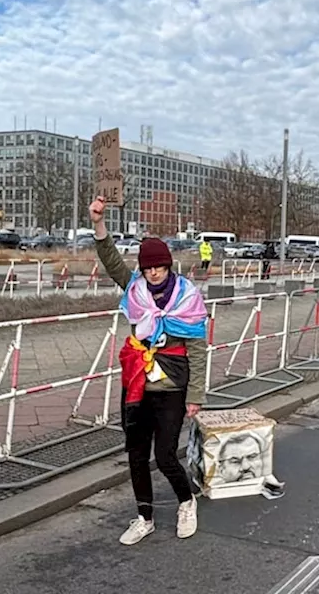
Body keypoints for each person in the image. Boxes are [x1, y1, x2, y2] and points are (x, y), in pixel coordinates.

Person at [89, 196, 206, 546]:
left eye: (159, 267)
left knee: (166, 455)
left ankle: (187, 502)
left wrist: (196, 396)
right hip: (138, 383)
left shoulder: (188, 298)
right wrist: (98, 223)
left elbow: (198, 350)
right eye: (147, 267)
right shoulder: (135, 289)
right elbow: (110, 260)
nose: (153, 273)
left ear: (169, 266)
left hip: (171, 383)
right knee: (136, 454)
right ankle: (145, 517)